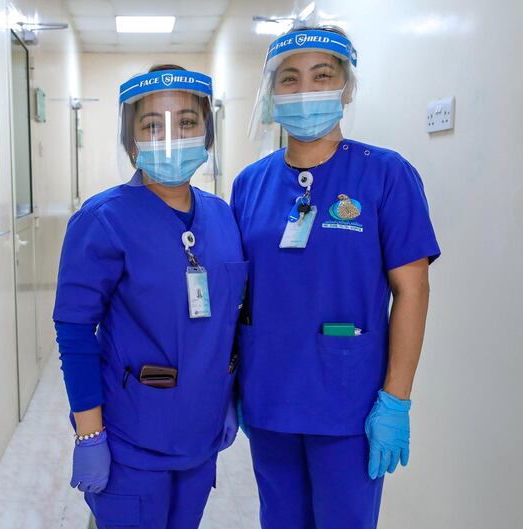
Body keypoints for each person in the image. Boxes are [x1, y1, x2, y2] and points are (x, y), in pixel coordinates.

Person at [231, 26, 441, 529]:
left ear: (346, 88)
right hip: (269, 398)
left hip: (348, 403)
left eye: (321, 76)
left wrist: (396, 399)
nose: (305, 91)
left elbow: (411, 291)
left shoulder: (386, 175)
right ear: (272, 93)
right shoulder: (249, 185)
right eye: (289, 79)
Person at [52, 64, 248, 529]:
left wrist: (228, 400)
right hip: (131, 442)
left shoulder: (223, 218)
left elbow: (228, 323)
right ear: (131, 139)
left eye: (185, 122)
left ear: (207, 131)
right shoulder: (102, 220)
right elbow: (75, 331)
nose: (170, 137)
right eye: (152, 125)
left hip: (201, 437)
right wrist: (89, 435)